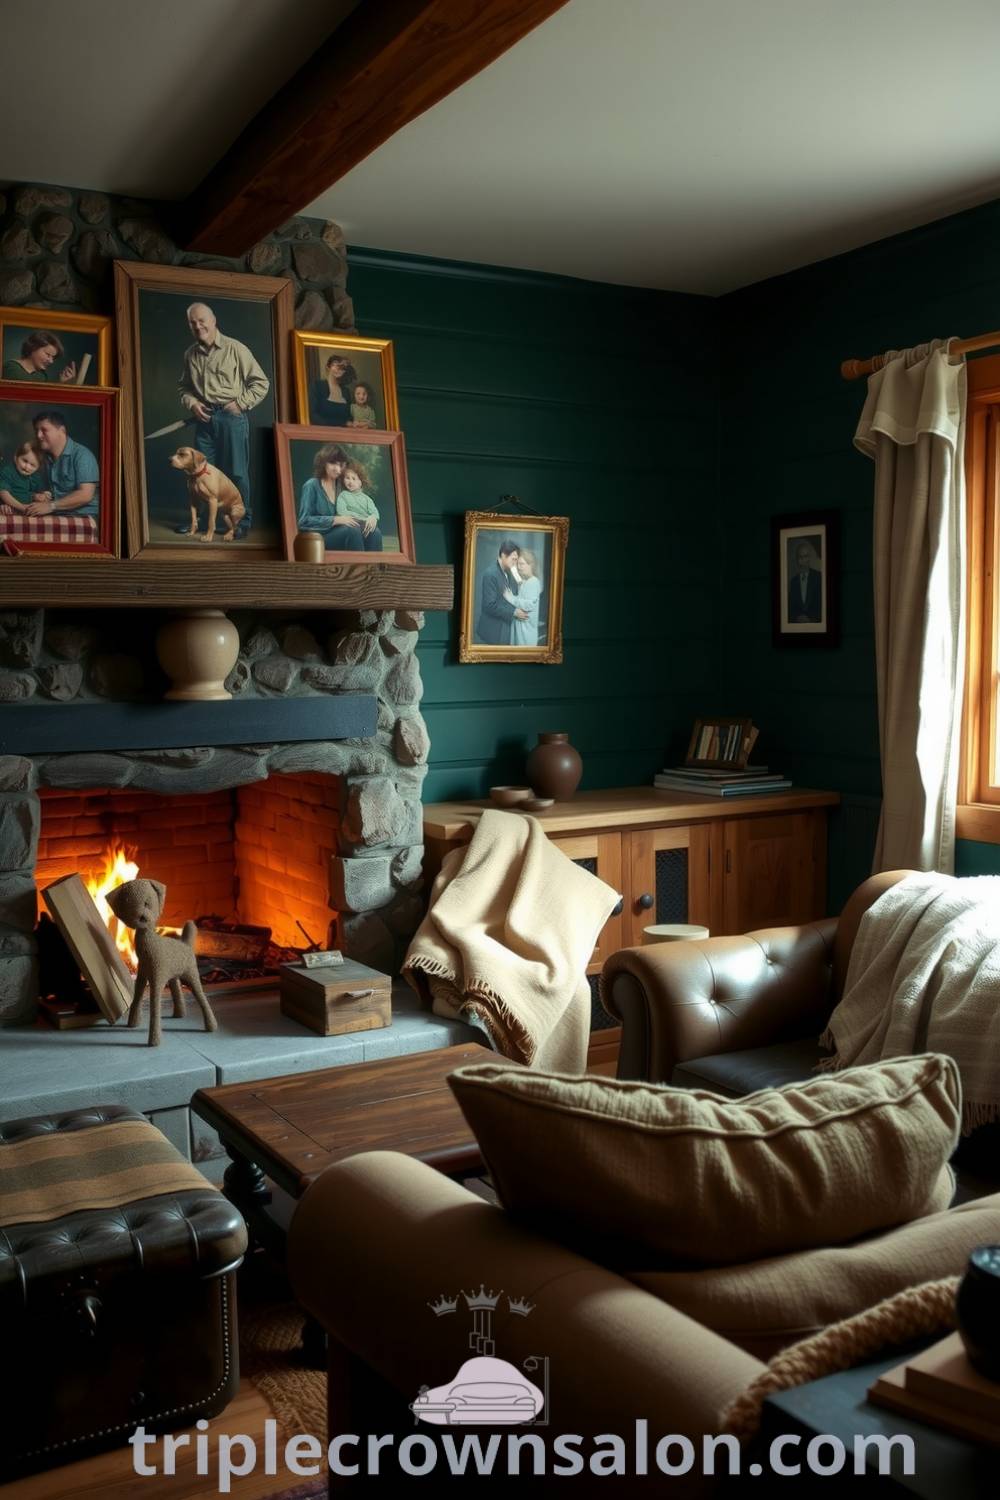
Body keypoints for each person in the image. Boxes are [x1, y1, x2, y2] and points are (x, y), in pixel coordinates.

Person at [177, 302, 269, 535]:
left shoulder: (235, 349)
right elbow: (184, 388)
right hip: (204, 419)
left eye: (202, 321)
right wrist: (193, 403)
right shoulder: (190, 354)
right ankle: (200, 524)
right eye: (192, 323)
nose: (198, 326)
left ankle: (241, 523)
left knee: (236, 472)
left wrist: (240, 403)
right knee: (200, 473)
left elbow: (261, 383)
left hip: (232, 420)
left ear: (214, 320)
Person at [25, 410, 99, 519]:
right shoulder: (41, 457)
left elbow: (86, 495)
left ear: (62, 431)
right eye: (36, 431)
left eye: (44, 430)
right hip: (57, 516)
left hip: (84, 518)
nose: (38, 435)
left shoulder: (82, 455)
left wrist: (51, 506)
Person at [296, 443, 364, 551]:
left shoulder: (341, 486)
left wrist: (370, 518)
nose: (337, 469)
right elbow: (303, 521)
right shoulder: (311, 485)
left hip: (340, 532)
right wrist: (335, 520)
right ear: (323, 463)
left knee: (374, 532)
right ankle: (360, 567)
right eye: (333, 463)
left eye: (341, 464)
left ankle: (374, 567)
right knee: (352, 530)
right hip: (318, 539)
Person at [477, 538, 529, 645]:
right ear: (504, 555)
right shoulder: (490, 574)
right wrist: (514, 612)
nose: (515, 563)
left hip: (504, 629)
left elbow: (508, 598)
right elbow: (489, 606)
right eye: (513, 559)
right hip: (492, 632)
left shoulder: (509, 571)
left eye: (516, 560)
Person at [335, 459, 383, 552]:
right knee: (355, 530)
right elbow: (341, 512)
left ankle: (375, 562)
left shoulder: (367, 499)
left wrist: (372, 518)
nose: (350, 481)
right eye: (347, 478)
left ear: (361, 482)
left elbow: (374, 512)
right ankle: (360, 559)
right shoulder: (343, 495)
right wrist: (363, 518)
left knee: (376, 532)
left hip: (366, 526)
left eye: (354, 478)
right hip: (351, 524)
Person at [3, 330, 76, 383]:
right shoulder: (12, 368)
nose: (51, 361)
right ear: (33, 347)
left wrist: (61, 383)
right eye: (47, 354)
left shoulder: (41, 375)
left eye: (53, 357)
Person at [504, 547, 542, 646]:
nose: (518, 567)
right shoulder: (524, 582)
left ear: (531, 565)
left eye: (522, 564)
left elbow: (528, 605)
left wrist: (510, 598)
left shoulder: (534, 582)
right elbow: (522, 599)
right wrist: (513, 596)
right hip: (520, 629)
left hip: (526, 633)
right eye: (517, 564)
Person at [309, 353, 356, 425]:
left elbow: (350, 417)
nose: (338, 367)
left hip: (344, 433)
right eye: (335, 363)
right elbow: (313, 416)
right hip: (322, 432)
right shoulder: (317, 386)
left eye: (342, 367)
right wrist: (342, 424)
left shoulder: (346, 391)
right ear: (328, 367)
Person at [0, 441, 48, 511]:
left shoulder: (34, 477)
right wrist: (22, 507)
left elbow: (39, 492)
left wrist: (42, 495)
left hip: (27, 509)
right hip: (11, 507)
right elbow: (3, 492)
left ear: (38, 468)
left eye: (32, 465)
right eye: (25, 461)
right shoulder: (8, 472)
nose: (27, 467)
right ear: (16, 458)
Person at [787, 540, 822, 623]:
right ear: (797, 560)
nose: (803, 560)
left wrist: (810, 619)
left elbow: (821, 604)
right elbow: (791, 608)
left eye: (805, 556)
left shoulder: (819, 577)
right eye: (800, 557)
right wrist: (798, 618)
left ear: (809, 558)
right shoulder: (793, 582)